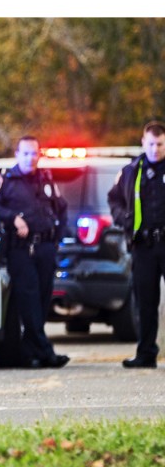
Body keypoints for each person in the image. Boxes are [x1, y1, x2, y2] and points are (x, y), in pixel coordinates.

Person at [0, 135, 70, 368]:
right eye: (26, 153)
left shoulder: (45, 179)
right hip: (21, 251)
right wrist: (14, 218)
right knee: (28, 302)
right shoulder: (5, 180)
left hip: (46, 248)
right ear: (17, 155)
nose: (31, 158)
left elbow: (62, 208)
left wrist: (57, 238)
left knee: (41, 300)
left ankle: (30, 353)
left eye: (34, 153)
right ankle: (45, 352)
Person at [107, 120, 165, 369]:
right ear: (143, 142)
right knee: (145, 301)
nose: (155, 149)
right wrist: (126, 220)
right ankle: (145, 353)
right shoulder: (131, 170)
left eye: (160, 144)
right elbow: (114, 200)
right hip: (143, 245)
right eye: (151, 144)